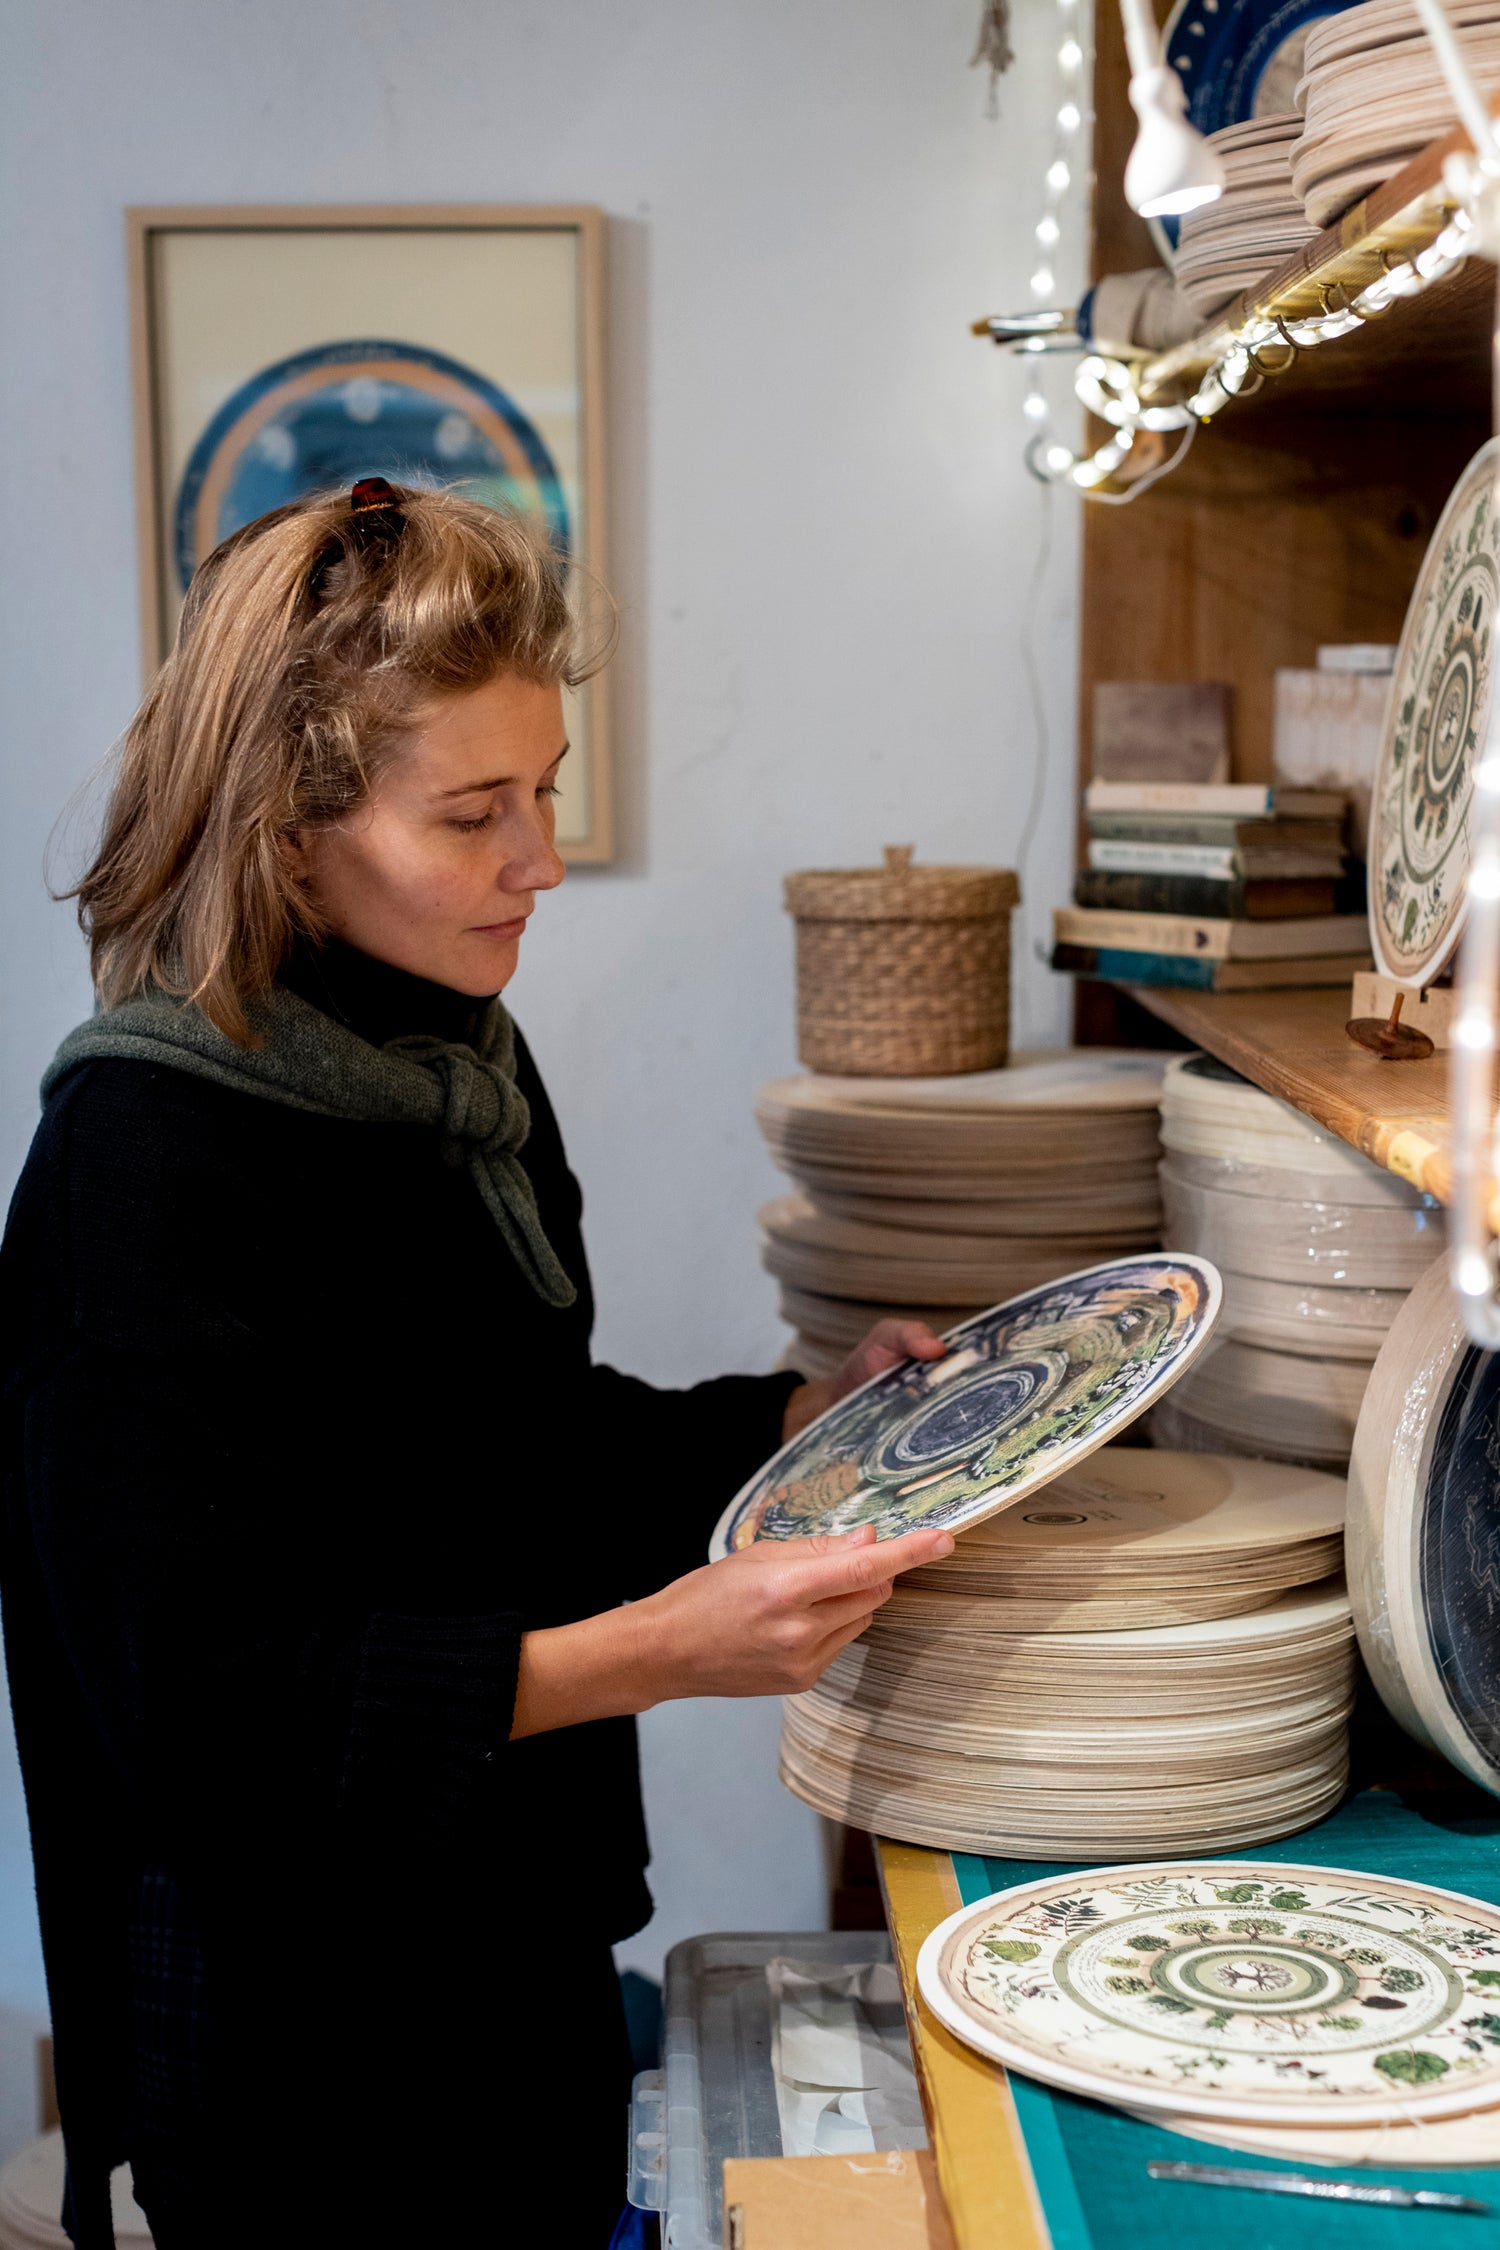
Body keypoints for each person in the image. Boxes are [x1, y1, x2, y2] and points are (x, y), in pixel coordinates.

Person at [0, 480, 952, 2248]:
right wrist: (663, 1651)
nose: (543, 859)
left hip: (502, 1923)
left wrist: (796, 1418)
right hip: (300, 2028)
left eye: (549, 787)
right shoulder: (135, 1171)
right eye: (473, 811)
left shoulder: (452, 1071)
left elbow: (509, 1445)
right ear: (289, 837)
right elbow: (210, 1712)